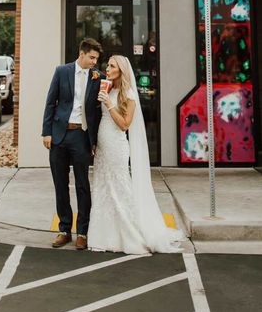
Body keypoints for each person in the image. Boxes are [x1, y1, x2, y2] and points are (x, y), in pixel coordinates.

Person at [88, 54, 183, 254]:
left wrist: (109, 105)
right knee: (103, 188)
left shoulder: (128, 94)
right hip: (103, 146)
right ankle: (104, 237)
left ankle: (131, 235)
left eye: (112, 66)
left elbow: (124, 125)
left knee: (119, 189)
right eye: (108, 65)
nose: (108, 68)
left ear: (120, 71)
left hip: (117, 146)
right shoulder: (108, 87)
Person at [42, 37, 103, 250]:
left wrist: (94, 140)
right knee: (60, 184)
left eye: (97, 58)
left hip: (81, 136)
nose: (95, 62)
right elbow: (50, 103)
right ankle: (64, 229)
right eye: (92, 57)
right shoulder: (62, 71)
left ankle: (83, 232)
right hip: (59, 135)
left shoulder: (98, 77)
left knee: (82, 185)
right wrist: (46, 132)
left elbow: (98, 112)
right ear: (82, 54)